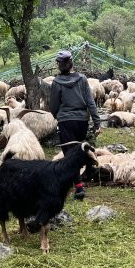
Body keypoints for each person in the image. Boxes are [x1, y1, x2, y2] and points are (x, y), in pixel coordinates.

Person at [49, 49, 101, 200]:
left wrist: (58, 116)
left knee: (69, 154)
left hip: (66, 121)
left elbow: (53, 106)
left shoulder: (56, 83)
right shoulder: (82, 79)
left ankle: (78, 187)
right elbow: (90, 102)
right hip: (81, 121)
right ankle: (85, 174)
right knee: (79, 150)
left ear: (59, 65)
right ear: (71, 63)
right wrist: (97, 122)